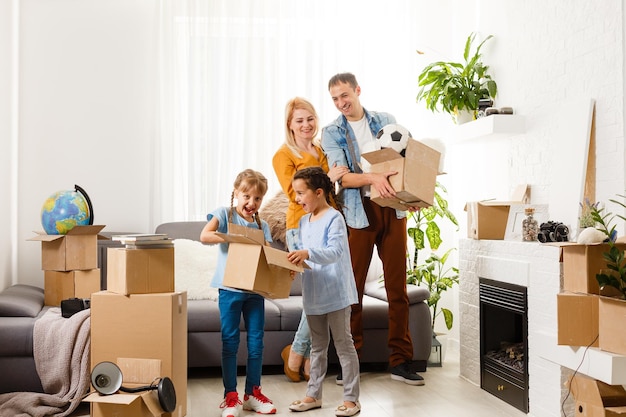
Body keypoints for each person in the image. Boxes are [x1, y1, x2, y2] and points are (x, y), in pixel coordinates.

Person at [320, 72, 425, 386]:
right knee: (352, 290)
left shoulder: (386, 120)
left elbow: (405, 163)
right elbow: (343, 178)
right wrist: (372, 178)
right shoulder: (332, 132)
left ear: (357, 90)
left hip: (392, 210)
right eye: (335, 99)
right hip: (357, 212)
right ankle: (350, 362)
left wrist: (413, 196)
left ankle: (401, 362)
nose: (341, 103)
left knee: (397, 290)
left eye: (344, 95)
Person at [272, 97, 348, 382]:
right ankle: (297, 355)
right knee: (317, 294)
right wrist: (328, 178)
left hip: (326, 222)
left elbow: (333, 184)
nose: (306, 125)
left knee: (324, 294)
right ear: (290, 125)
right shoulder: (283, 154)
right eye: (299, 120)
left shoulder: (320, 149)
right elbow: (295, 194)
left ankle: (300, 355)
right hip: (300, 227)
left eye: (310, 119)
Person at [200, 169, 277, 417]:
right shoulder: (225, 214)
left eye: (257, 199)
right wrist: (231, 237)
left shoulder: (262, 225)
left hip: (254, 291)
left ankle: (252, 393)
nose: (251, 203)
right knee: (230, 343)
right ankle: (230, 396)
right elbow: (205, 236)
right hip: (230, 289)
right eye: (246, 196)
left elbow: (266, 257)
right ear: (236, 193)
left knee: (256, 344)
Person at [286, 166, 360, 416]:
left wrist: (308, 253)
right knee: (317, 347)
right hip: (314, 291)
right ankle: (313, 395)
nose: (297, 199)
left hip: (336, 292)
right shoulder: (303, 221)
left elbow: (335, 252)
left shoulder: (334, 217)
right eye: (295, 193)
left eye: (301, 193)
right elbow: (307, 256)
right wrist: (295, 263)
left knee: (343, 345)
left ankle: (351, 399)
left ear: (319, 192)